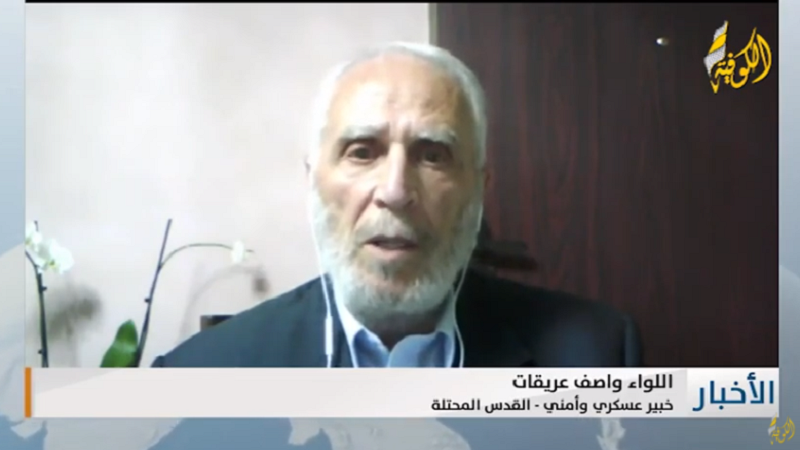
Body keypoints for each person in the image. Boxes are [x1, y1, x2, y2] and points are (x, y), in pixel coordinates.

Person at [152, 42, 642, 368]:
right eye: (362, 151)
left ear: (479, 189)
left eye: (433, 155)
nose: (395, 191)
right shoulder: (199, 378)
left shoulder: (597, 356)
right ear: (313, 180)